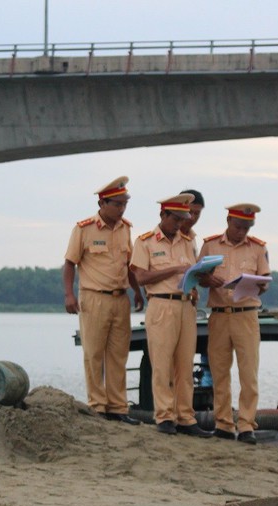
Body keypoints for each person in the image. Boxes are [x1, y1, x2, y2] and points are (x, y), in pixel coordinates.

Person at [63, 176, 144, 425]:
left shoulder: (126, 229)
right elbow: (69, 263)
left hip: (121, 299)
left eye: (124, 205)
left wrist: (137, 291)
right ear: (102, 203)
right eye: (117, 204)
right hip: (94, 298)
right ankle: (97, 407)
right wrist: (69, 294)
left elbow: (129, 265)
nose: (121, 209)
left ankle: (118, 407)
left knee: (118, 354)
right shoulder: (84, 229)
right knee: (94, 353)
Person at [130, 193, 212, 438]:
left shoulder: (187, 242)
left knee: (184, 364)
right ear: (163, 215)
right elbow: (141, 277)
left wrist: (197, 279)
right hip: (161, 304)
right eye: (175, 219)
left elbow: (191, 272)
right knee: (162, 363)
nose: (179, 224)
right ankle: (164, 416)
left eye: (182, 219)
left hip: (186, 305)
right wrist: (174, 269)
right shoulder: (145, 242)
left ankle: (186, 417)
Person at [198, 204, 271, 445]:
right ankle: (223, 423)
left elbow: (265, 280)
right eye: (238, 226)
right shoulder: (210, 245)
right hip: (219, 314)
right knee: (219, 370)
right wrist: (208, 279)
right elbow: (198, 275)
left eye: (247, 227)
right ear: (228, 220)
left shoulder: (258, 248)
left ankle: (247, 424)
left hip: (246, 314)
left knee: (248, 372)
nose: (242, 231)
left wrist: (258, 284)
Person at [179, 188, 205, 254]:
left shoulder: (192, 237)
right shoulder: (168, 237)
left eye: (196, 213)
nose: (192, 218)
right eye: (188, 212)